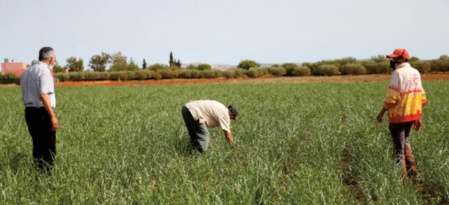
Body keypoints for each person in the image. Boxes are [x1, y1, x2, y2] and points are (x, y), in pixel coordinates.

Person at [376, 48, 427, 178]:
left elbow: (392, 98)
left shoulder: (398, 73)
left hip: (398, 115)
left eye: (395, 58)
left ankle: (402, 177)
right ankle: (413, 170)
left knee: (399, 147)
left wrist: (381, 113)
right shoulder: (415, 72)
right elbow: (421, 96)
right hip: (412, 114)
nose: (392, 61)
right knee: (405, 140)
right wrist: (418, 117)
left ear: (403, 59)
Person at [21, 47, 59, 171]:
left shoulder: (27, 72)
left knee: (37, 146)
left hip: (29, 112)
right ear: (51, 58)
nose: (55, 60)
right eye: (55, 58)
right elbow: (43, 95)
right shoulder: (44, 71)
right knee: (48, 149)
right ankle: (46, 179)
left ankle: (37, 175)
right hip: (42, 113)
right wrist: (52, 116)